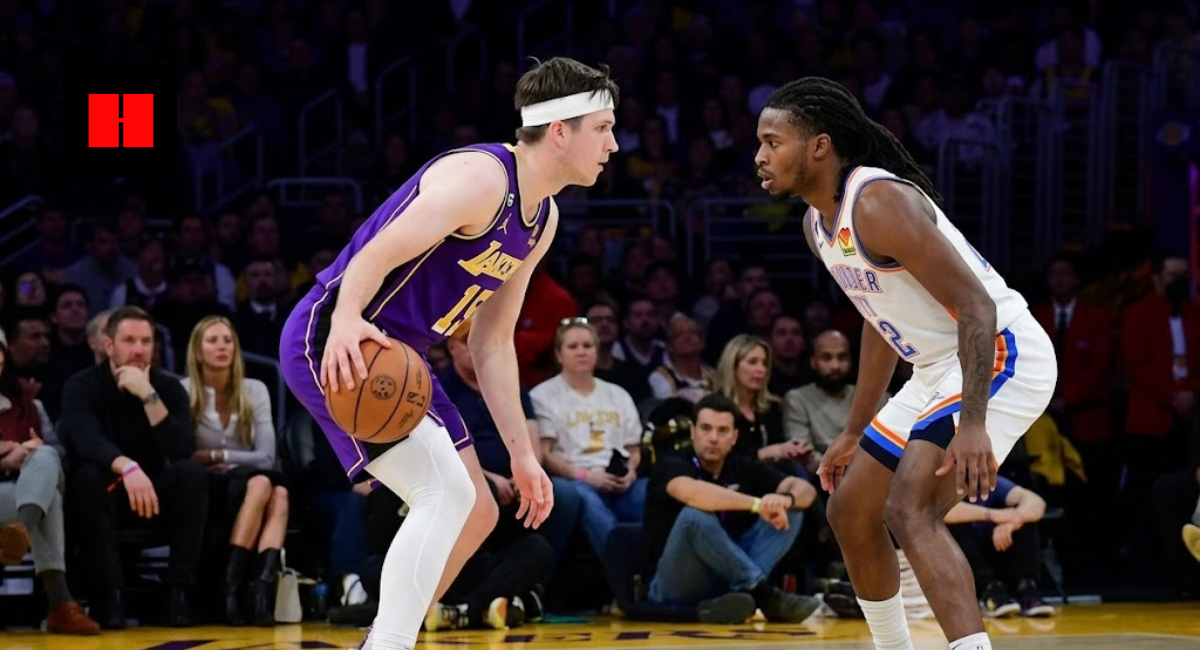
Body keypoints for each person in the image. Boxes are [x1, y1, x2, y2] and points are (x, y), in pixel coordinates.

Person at [278, 57, 619, 650]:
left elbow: (490, 341)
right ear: (560, 130)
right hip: (340, 337)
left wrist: (522, 455)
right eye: (604, 127)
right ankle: (387, 644)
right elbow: (374, 254)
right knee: (446, 495)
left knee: (479, 511)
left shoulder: (542, 219)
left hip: (403, 357)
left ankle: (386, 637)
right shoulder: (480, 179)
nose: (614, 144)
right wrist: (347, 321)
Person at [755, 77, 1056, 650]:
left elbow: (976, 306)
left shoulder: (877, 201)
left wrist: (971, 425)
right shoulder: (817, 225)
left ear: (818, 146)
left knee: (910, 506)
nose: (761, 157)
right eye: (760, 145)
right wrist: (854, 428)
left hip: (1000, 351)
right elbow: (878, 317)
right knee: (850, 510)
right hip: (938, 366)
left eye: (773, 142)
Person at [642, 393, 820, 624]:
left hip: (723, 577)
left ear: (734, 437)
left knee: (791, 510)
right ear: (693, 432)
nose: (713, 438)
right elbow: (693, 493)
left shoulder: (741, 464)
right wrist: (758, 504)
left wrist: (785, 499)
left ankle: (744, 594)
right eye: (706, 429)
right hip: (673, 582)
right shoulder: (672, 462)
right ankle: (762, 594)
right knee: (694, 515)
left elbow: (806, 491)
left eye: (722, 431)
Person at [180, 316, 287, 626]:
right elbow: (185, 455)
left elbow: (267, 456)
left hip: (250, 479)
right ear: (198, 351)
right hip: (206, 486)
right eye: (212, 341)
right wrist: (232, 459)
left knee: (275, 491)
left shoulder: (255, 390)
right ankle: (240, 591)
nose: (222, 347)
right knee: (266, 487)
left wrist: (216, 453)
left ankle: (251, 589)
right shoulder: (183, 390)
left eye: (227, 340)